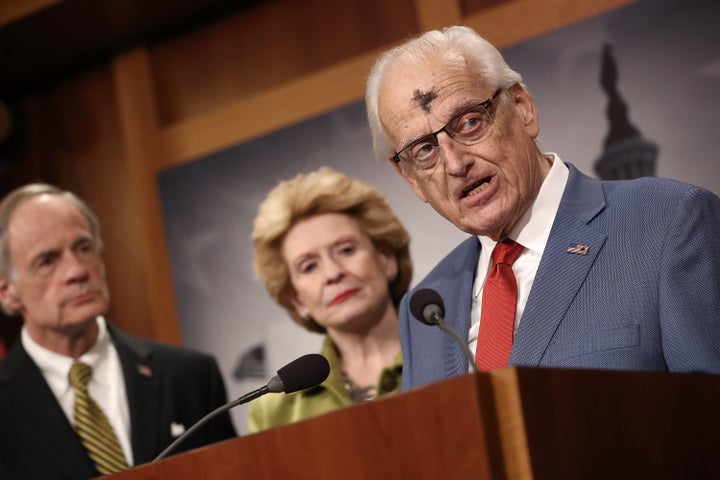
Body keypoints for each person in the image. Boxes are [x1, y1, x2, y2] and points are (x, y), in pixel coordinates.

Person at [364, 25, 720, 390]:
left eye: (469, 122)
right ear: (410, 178)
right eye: (424, 150)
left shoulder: (667, 222)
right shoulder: (424, 308)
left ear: (522, 108)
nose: (455, 164)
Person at [0, 183, 237, 479]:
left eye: (83, 248)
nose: (77, 271)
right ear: (7, 291)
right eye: (47, 261)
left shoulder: (190, 376)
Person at [247, 166, 412, 432]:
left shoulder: (456, 348)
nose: (333, 273)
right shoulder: (275, 412)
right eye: (309, 266)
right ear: (297, 299)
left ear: (387, 258)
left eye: (346, 250)